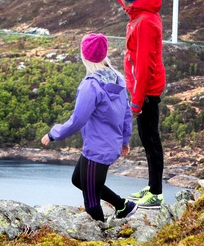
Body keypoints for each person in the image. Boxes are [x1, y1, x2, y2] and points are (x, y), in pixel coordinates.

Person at [41, 33, 136, 221]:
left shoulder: (91, 86)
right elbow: (126, 113)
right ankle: (123, 206)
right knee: (78, 180)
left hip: (98, 150)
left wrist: (53, 134)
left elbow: (77, 120)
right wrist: (124, 141)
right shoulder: (118, 79)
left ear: (84, 56)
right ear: (104, 54)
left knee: (92, 202)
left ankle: (101, 241)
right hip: (105, 145)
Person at [105, 0, 166, 208]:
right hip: (142, 88)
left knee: (151, 141)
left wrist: (136, 103)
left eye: (128, 3)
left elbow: (144, 66)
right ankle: (152, 188)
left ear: (136, 1)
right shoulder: (138, 7)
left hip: (147, 90)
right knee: (147, 138)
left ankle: (156, 194)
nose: (125, 6)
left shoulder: (145, 23)